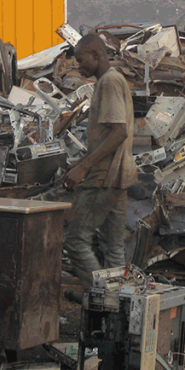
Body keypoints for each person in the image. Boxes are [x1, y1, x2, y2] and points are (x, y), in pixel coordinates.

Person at [62, 34, 136, 289]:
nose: (79, 66)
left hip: (105, 177)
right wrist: (81, 162)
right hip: (119, 176)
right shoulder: (112, 80)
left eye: (81, 60)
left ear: (96, 55)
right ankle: (116, 301)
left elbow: (119, 132)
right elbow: (110, 135)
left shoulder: (109, 82)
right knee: (113, 247)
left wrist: (84, 167)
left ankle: (100, 295)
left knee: (76, 240)